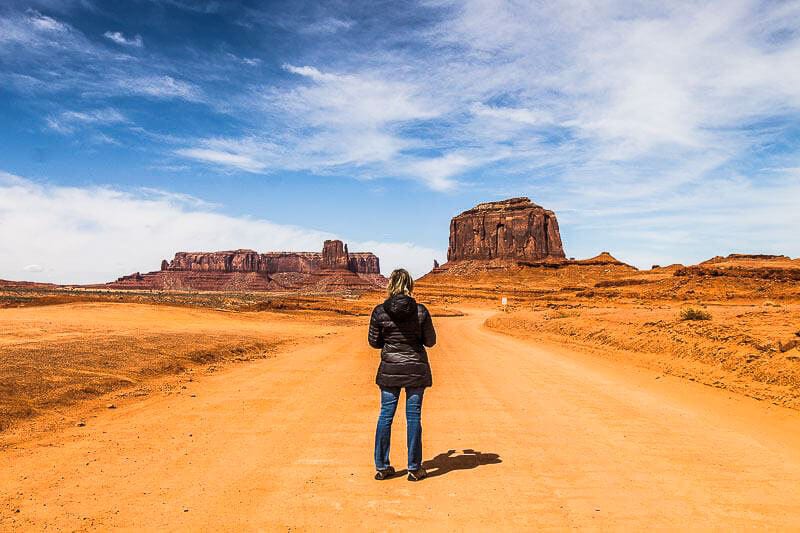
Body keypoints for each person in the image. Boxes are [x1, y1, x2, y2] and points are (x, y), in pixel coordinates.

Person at [368, 268, 436, 482]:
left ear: (390, 284)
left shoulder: (380, 311)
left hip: (390, 370)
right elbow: (430, 341)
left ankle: (382, 466)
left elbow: (374, 342)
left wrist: (391, 342)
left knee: (386, 415)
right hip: (415, 369)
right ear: (410, 285)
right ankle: (414, 469)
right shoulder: (421, 311)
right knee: (413, 416)